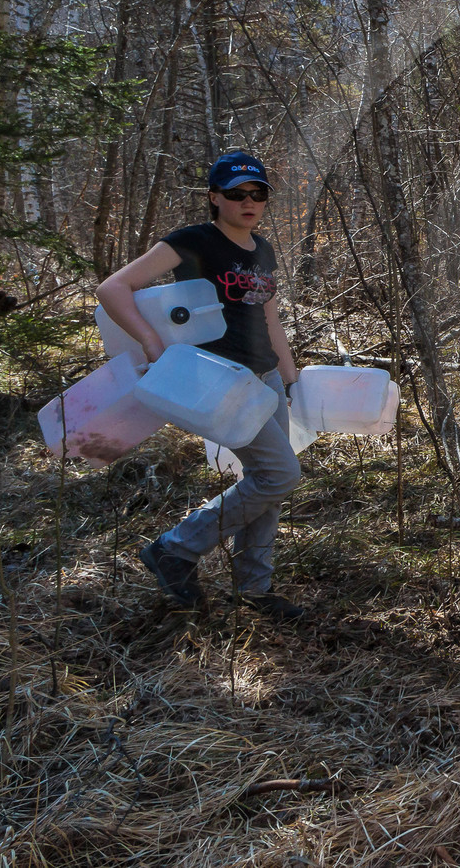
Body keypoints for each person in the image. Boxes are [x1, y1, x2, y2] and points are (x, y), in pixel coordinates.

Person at [98, 151, 305, 621]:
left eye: (258, 193)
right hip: (220, 380)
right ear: (214, 197)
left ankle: (254, 589)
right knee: (279, 475)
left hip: (266, 377)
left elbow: (269, 316)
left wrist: (291, 377)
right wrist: (151, 342)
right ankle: (175, 548)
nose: (248, 202)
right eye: (236, 193)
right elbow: (113, 288)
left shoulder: (263, 250)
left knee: (267, 484)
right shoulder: (193, 241)